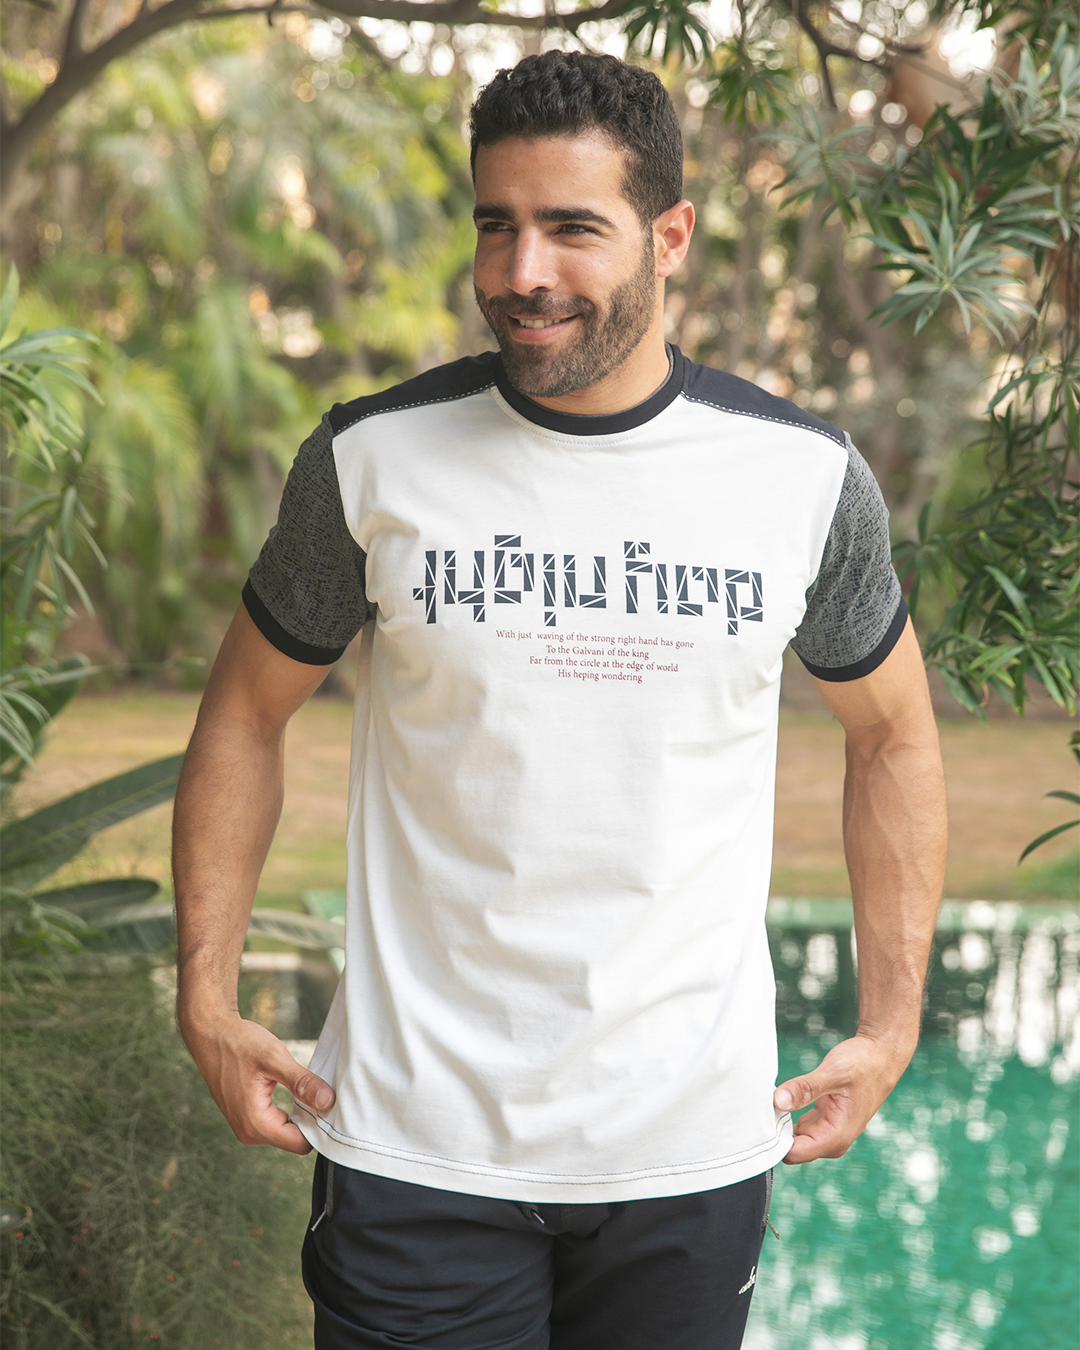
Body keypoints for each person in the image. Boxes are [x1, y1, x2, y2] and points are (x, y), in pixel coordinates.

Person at [173, 51, 947, 1350]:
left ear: (670, 236)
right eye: (498, 225)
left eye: (573, 228)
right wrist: (205, 992)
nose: (522, 271)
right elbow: (243, 715)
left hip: (687, 1154)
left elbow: (893, 735)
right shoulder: (372, 457)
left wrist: (893, 1023)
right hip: (415, 1147)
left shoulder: (800, 478)